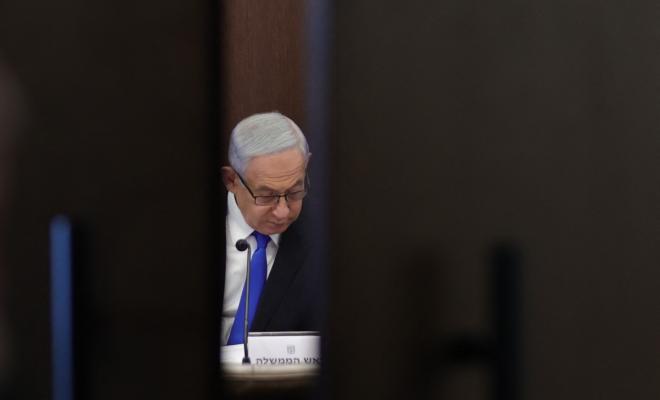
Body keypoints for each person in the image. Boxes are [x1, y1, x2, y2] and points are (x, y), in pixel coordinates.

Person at [220, 112, 320, 345]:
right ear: (231, 180)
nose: (283, 211)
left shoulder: (323, 234)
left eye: (294, 191)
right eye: (266, 196)